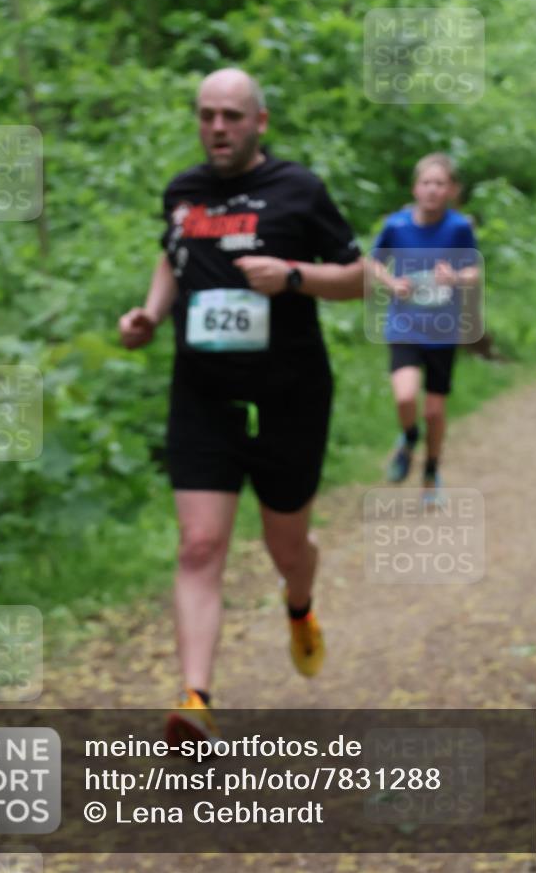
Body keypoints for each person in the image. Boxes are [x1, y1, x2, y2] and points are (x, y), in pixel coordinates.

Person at [118, 68, 363, 744]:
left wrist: (292, 277)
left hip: (288, 393)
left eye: (230, 115)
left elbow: (357, 278)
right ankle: (195, 699)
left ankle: (299, 603)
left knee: (287, 547)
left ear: (259, 121)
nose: (216, 128)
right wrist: (149, 313)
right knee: (199, 544)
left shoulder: (298, 190)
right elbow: (173, 256)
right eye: (205, 115)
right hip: (202, 392)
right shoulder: (182, 191)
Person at [369, 153, 480, 503]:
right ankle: (408, 437)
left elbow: (474, 271)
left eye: (440, 184)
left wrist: (457, 277)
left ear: (452, 190)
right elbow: (373, 262)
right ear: (416, 188)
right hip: (404, 325)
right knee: (404, 396)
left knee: (434, 410)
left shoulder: (459, 227)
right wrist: (390, 283)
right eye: (426, 183)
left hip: (443, 329)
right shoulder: (397, 225)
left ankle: (431, 473)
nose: (432, 190)